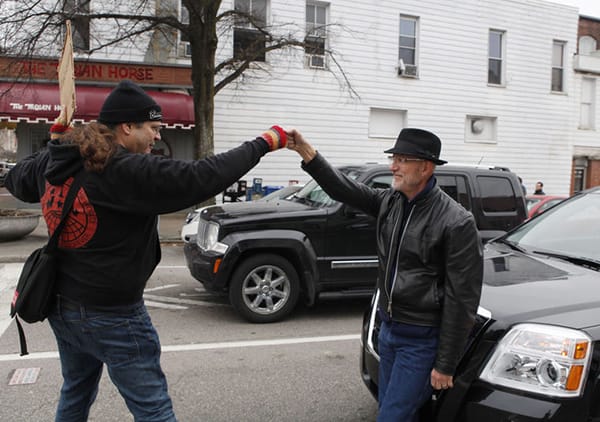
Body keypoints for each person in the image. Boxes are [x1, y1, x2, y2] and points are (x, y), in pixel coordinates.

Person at [5, 80, 288, 422]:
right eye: (153, 128)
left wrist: (53, 145)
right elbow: (201, 177)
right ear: (127, 127)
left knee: (75, 392)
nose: (157, 137)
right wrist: (267, 141)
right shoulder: (121, 169)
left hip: (63, 306)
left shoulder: (58, 159)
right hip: (112, 314)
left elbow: (18, 179)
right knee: (153, 409)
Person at [286, 128, 483, 421]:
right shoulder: (390, 203)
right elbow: (343, 188)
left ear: (425, 167)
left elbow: (462, 299)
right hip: (388, 332)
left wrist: (446, 364)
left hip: (420, 340)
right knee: (398, 411)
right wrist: (307, 153)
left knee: (391, 416)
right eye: (395, 158)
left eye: (402, 160)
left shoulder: (455, 221)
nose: (393, 166)